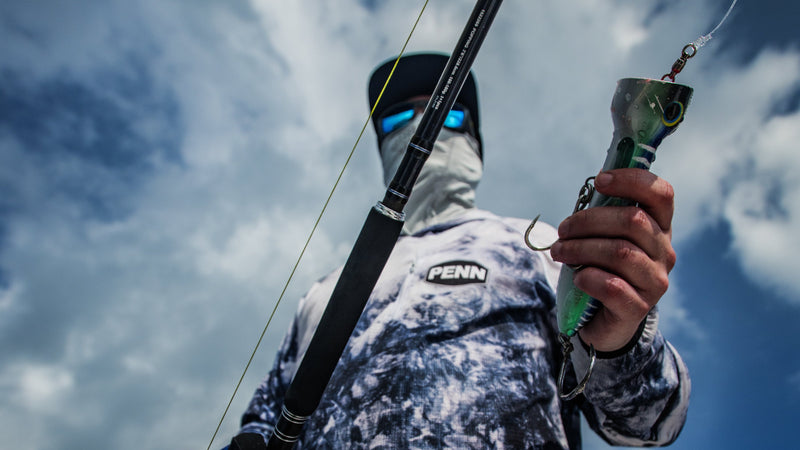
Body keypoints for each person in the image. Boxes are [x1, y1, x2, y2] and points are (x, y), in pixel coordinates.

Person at [230, 53, 690, 449]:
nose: (420, 124)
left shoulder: (540, 249)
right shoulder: (323, 293)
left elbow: (649, 422)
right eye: (397, 118)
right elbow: (264, 419)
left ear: (474, 143)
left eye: (446, 114)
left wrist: (621, 338)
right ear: (382, 145)